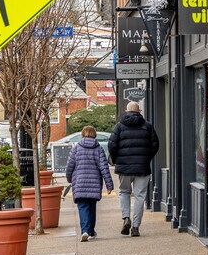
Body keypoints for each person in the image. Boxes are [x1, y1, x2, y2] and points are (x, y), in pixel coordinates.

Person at [108, 101, 159, 237]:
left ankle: (126, 218)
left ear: (126, 111)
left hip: (124, 167)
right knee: (139, 196)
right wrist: (146, 158)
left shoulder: (119, 126)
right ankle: (135, 227)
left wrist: (116, 160)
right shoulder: (147, 126)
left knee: (124, 192)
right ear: (140, 111)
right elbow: (155, 145)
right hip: (142, 167)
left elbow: (112, 145)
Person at [66, 125, 114, 242]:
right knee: (92, 207)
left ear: (83, 134)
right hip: (94, 184)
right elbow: (104, 168)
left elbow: (69, 166)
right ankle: (91, 231)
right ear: (94, 135)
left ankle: (85, 231)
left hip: (80, 184)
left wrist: (69, 179)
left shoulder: (76, 148)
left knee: (83, 207)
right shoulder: (98, 149)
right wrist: (109, 185)